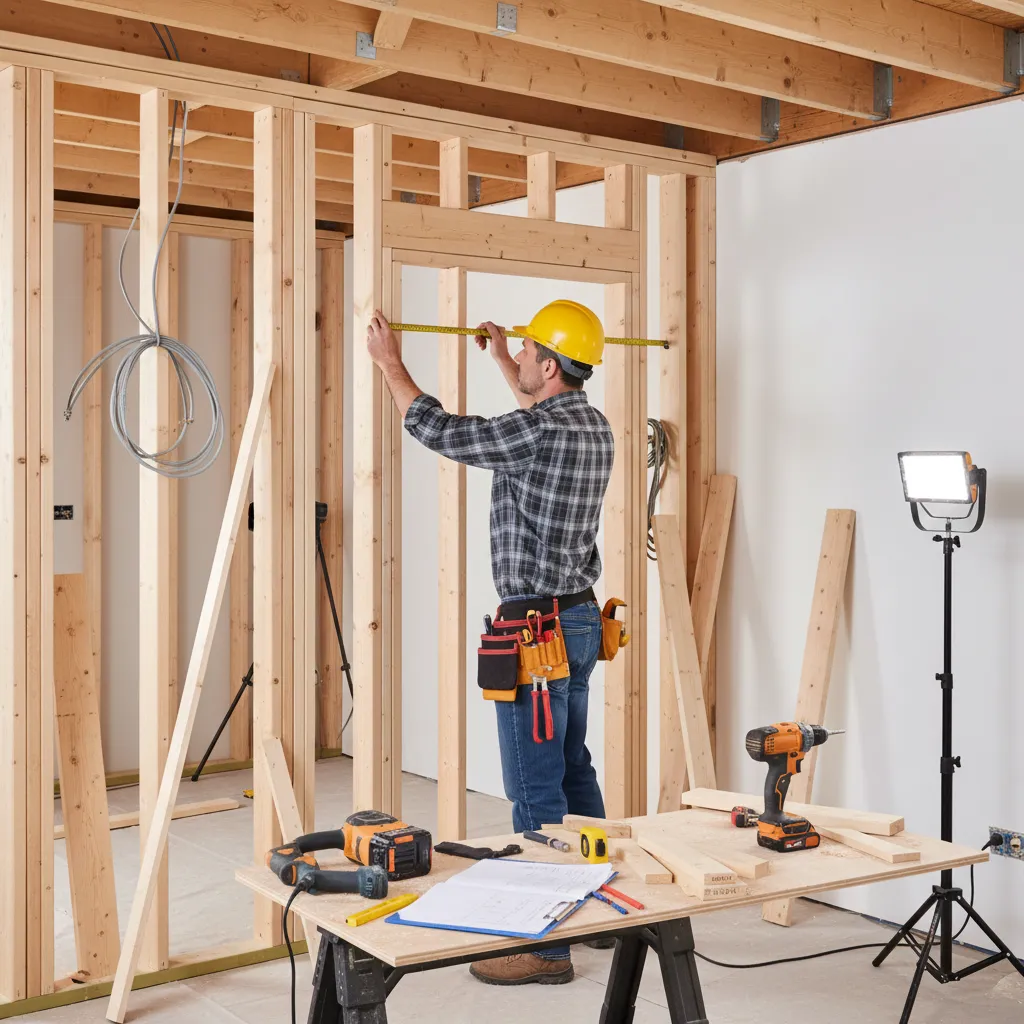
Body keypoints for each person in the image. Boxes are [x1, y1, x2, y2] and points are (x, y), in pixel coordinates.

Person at [365, 299, 615, 986]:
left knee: (534, 792)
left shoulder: (533, 433)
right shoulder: (592, 424)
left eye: (530, 351)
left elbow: (441, 430)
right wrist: (506, 358)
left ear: (551, 366)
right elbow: (536, 419)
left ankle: (547, 949)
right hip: (580, 620)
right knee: (572, 769)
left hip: (533, 631)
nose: (523, 358)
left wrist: (392, 366)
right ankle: (596, 913)